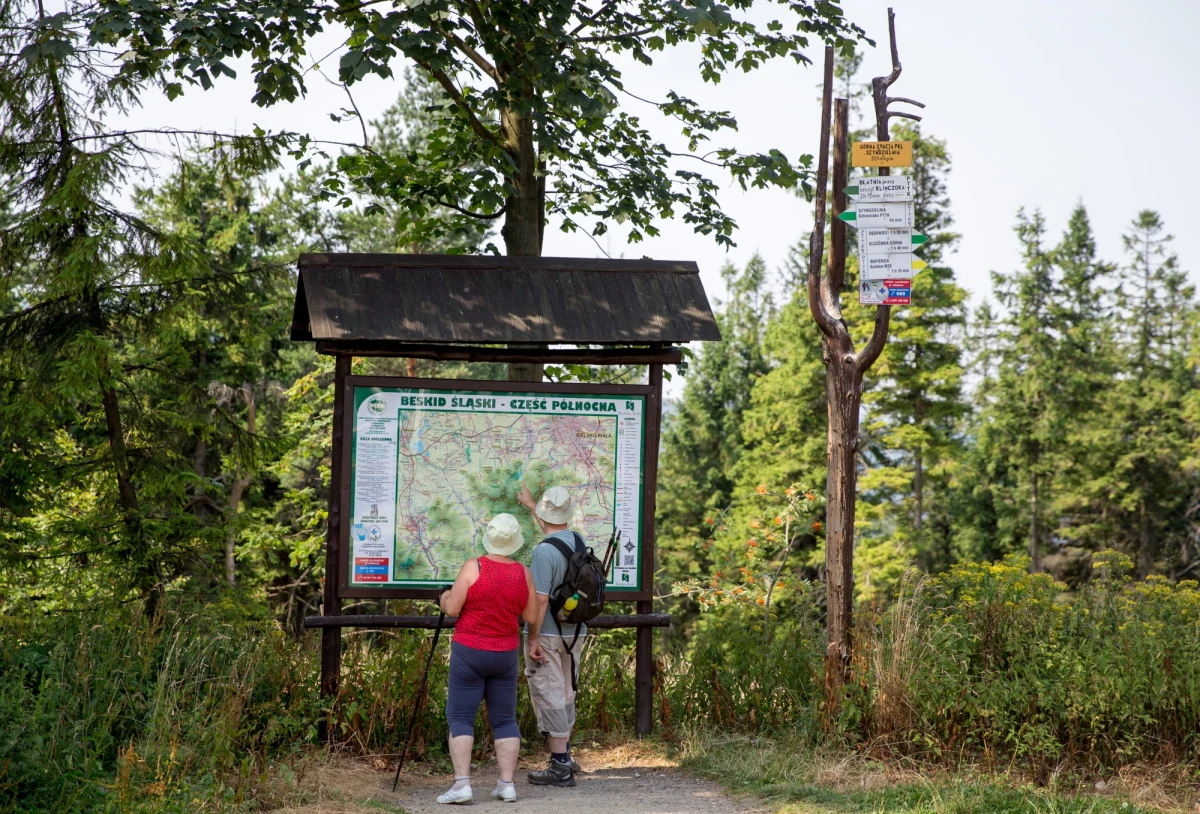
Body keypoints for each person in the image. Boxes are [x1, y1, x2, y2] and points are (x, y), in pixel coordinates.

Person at [435, 513, 538, 805]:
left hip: (469, 650)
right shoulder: (523, 573)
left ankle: (462, 785)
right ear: (515, 542)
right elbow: (530, 616)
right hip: (505, 653)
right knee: (505, 719)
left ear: (489, 538)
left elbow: (453, 608)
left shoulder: (473, 567)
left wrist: (442, 597)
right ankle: (506, 785)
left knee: (460, 716)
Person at [516, 484, 586, 788]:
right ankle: (565, 755)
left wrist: (532, 638)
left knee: (550, 693)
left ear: (546, 513)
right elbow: (552, 530)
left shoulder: (544, 552)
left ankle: (559, 767)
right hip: (575, 632)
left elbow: (541, 600)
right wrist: (532, 507)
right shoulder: (578, 541)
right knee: (566, 691)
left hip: (547, 634)